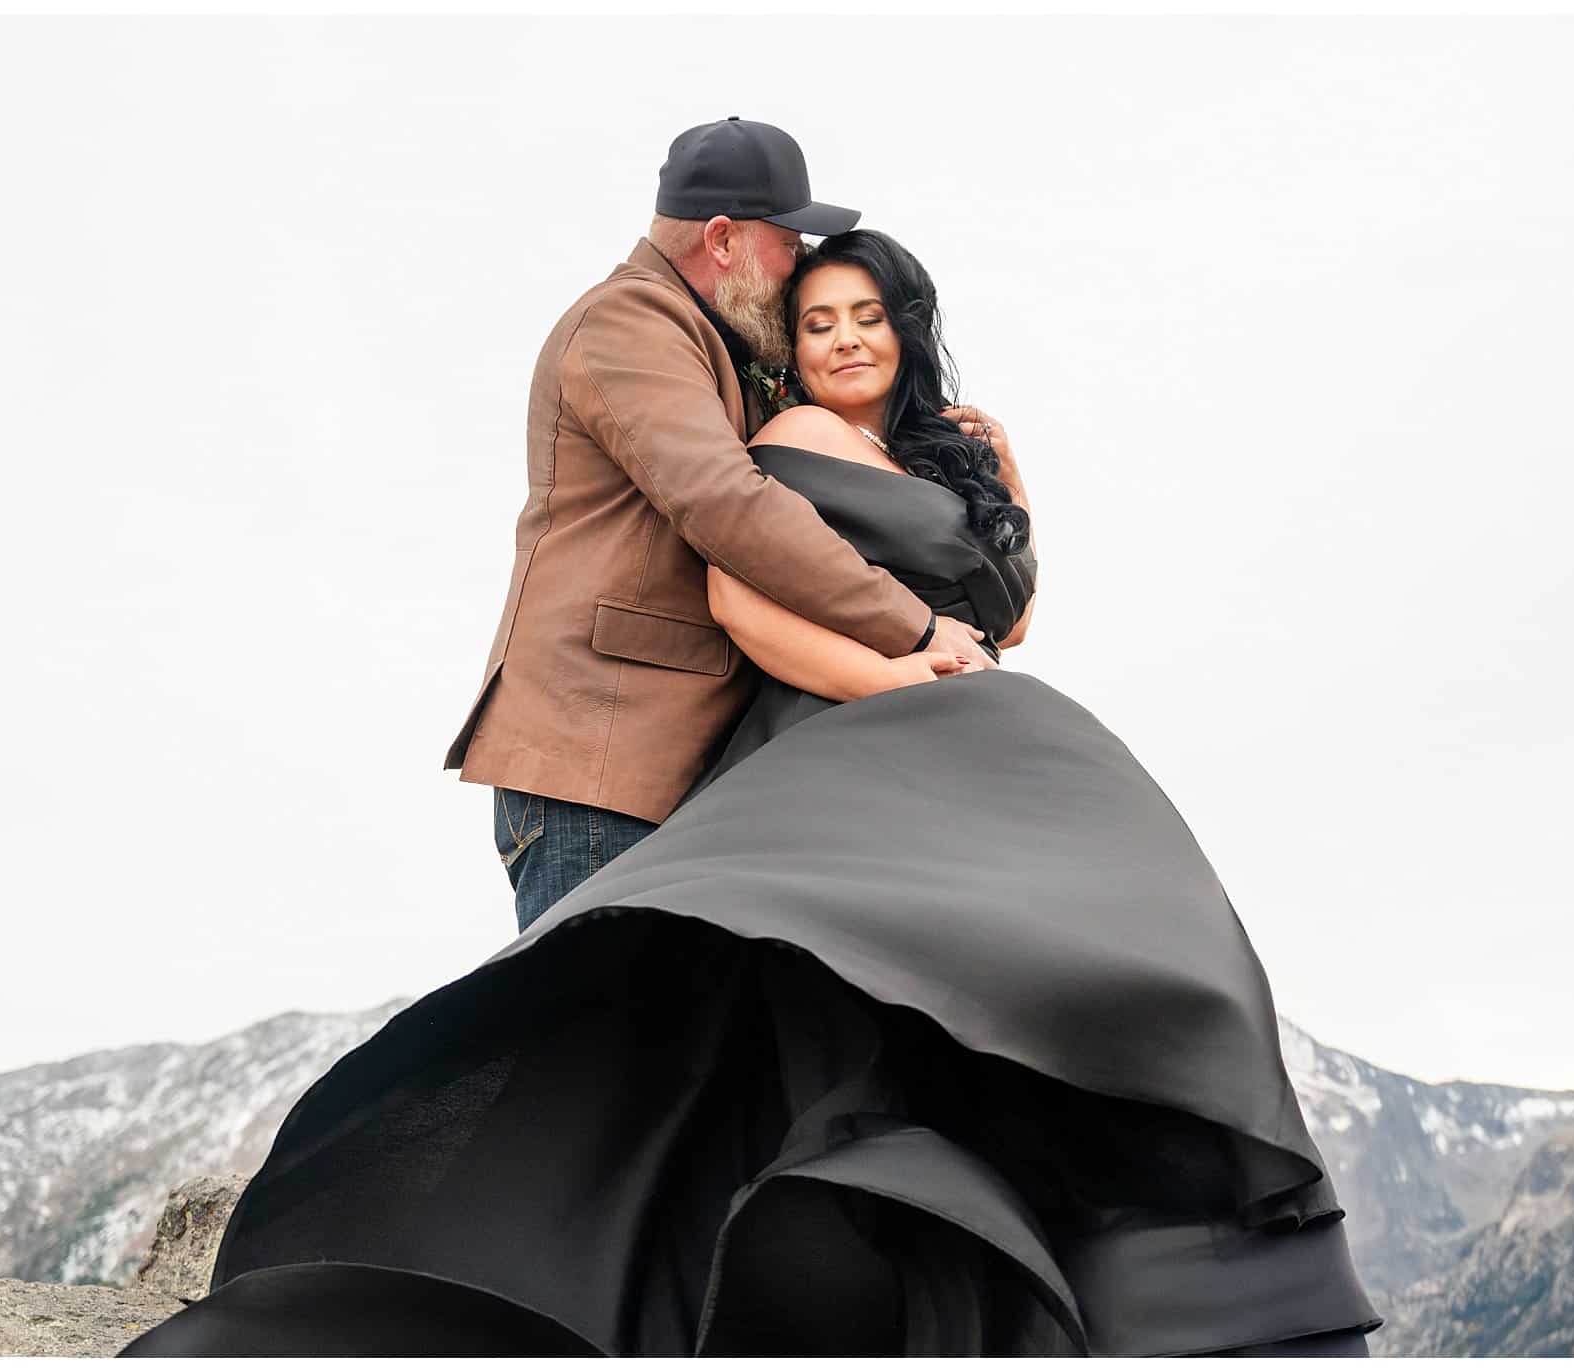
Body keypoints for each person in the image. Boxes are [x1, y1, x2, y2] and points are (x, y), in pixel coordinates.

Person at [119, 227, 1386, 1356]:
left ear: (907, 329)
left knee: (1028, 987)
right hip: (845, 744)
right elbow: (740, 599)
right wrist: (908, 688)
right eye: (818, 318)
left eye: (865, 317)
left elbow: (1007, 621)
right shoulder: (781, 435)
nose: (840, 338)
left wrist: (1006, 498)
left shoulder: (945, 449)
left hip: (956, 750)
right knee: (772, 1042)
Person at [441, 116, 991, 933]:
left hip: (665, 778)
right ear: (725, 239)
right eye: (790, 243)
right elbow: (726, 503)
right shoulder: (629, 324)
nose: (800, 266)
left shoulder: (715, 342)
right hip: (604, 767)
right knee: (607, 1051)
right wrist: (914, 632)